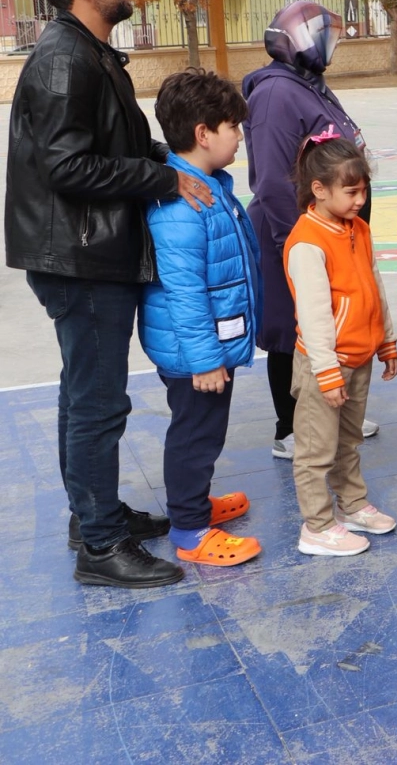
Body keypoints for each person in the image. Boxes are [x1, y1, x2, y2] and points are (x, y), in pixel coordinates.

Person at [6, 0, 214, 590]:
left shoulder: (90, 53)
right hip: (80, 257)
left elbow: (115, 143)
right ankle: (100, 546)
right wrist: (160, 179)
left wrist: (169, 160)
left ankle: (91, 516)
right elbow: (67, 167)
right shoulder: (65, 59)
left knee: (83, 396)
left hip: (82, 252)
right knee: (98, 404)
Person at [242, 1, 378, 460]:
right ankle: (291, 427)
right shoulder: (276, 93)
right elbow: (273, 180)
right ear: (298, 38)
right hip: (296, 234)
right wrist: (298, 245)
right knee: (292, 328)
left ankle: (332, 412)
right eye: (324, 36)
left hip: (332, 233)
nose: (330, 46)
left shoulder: (306, 84)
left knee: (330, 319)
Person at [139, 69, 262, 570]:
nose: (240, 137)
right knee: (195, 435)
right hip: (196, 352)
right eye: (234, 127)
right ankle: (190, 529)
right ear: (203, 133)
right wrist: (206, 359)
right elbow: (184, 292)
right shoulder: (181, 205)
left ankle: (194, 500)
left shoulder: (207, 186)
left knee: (205, 431)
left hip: (207, 346)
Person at [286, 135, 397, 557]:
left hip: (359, 356)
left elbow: (374, 285)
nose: (360, 200)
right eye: (351, 192)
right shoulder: (307, 242)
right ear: (319, 189)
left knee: (348, 441)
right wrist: (328, 373)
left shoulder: (358, 228)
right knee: (316, 450)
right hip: (325, 365)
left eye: (363, 190)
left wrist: (386, 340)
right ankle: (316, 526)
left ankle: (351, 505)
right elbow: (315, 316)